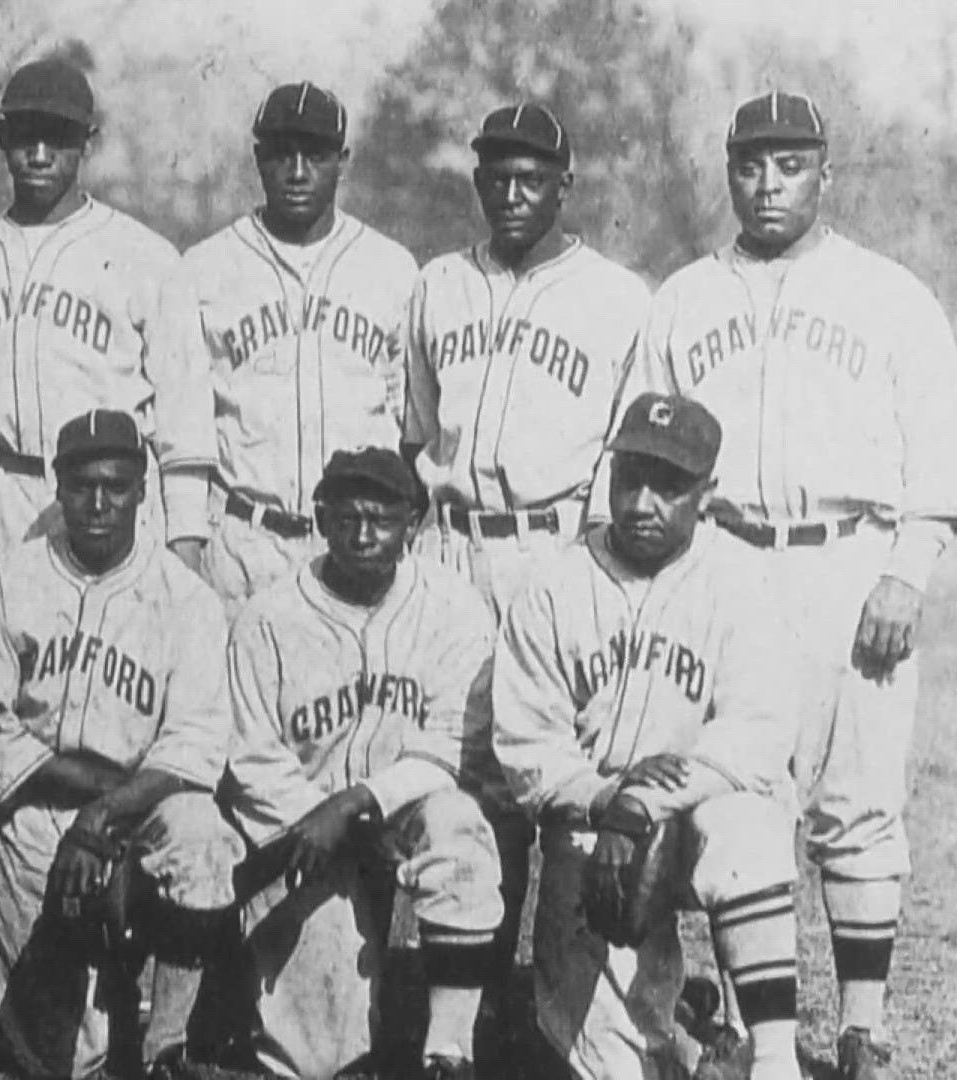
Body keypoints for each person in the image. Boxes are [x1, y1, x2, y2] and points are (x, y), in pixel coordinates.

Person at [613, 91, 957, 1080]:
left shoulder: (889, 295)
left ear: (825, 175)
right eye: (752, 165)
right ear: (730, 172)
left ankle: (863, 1025)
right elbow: (642, 446)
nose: (769, 183)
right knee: (734, 791)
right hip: (722, 560)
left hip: (850, 557)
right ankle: (732, 1015)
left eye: (791, 164)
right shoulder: (683, 297)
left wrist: (907, 569)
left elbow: (939, 449)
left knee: (858, 801)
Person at [401, 102, 652, 1069]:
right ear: (478, 182)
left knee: (563, 786)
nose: (512, 193)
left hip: (558, 548)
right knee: (470, 784)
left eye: (531, 178)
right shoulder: (437, 286)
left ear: (564, 186)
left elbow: (627, 453)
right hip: (457, 547)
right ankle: (468, 1015)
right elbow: (418, 429)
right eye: (496, 175)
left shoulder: (617, 297)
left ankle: (566, 1023)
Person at [492, 393, 805, 1080]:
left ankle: (777, 1062)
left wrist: (647, 804)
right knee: (616, 1068)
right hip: (590, 835)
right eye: (628, 476)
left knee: (749, 828)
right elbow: (527, 747)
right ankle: (687, 1022)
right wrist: (610, 801)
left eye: (668, 485)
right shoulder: (553, 585)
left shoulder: (742, 580)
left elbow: (758, 733)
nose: (640, 502)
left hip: (698, 821)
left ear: (707, 493)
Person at [0, 408, 241, 1080]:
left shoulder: (184, 599)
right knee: (63, 1060)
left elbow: (194, 744)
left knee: (203, 837)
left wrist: (103, 818)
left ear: (142, 489)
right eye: (82, 486)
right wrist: (82, 798)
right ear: (57, 485)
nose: (99, 504)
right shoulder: (13, 579)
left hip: (138, 812)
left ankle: (167, 1050)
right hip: (32, 802)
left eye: (117, 486)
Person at [220, 446, 501, 1080]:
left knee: (461, 831)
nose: (364, 534)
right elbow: (252, 760)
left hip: (404, 815)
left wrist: (358, 805)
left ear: (413, 524)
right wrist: (326, 823)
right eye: (346, 518)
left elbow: (456, 743)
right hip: (302, 836)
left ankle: (448, 1052)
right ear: (320, 519)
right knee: (318, 1056)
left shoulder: (453, 606)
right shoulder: (268, 617)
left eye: (381, 518)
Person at [0, 60, 198, 566]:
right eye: (26, 135)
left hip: (98, 500)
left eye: (59, 137)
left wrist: (185, 539)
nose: (40, 153)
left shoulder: (145, 258)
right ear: (3, 137)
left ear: (87, 142)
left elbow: (184, 421)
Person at [156, 82, 418, 608]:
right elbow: (185, 433)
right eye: (281, 153)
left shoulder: (392, 269)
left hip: (354, 545)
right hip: (243, 542)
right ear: (258, 158)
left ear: (342, 159)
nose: (297, 171)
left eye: (316, 155)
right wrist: (185, 553)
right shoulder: (205, 268)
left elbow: (405, 423)